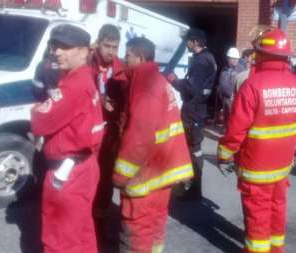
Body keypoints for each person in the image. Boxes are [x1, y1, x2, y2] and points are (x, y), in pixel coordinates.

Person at [218, 28, 296, 253]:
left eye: (257, 52)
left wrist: (224, 153)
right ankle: (276, 249)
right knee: (277, 208)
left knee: (258, 214)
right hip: (282, 166)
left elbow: (236, 130)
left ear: (261, 54)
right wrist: (295, 154)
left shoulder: (252, 86)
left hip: (255, 167)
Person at [113, 37, 194, 252]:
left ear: (139, 57)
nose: (124, 59)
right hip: (161, 172)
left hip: (145, 176)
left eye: (128, 56)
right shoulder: (157, 80)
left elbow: (139, 138)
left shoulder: (144, 86)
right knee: (155, 227)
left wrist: (120, 176)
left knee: (137, 230)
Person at [30, 24, 104, 253]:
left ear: (84, 52)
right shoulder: (83, 78)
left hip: (68, 172)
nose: (56, 52)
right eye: (54, 46)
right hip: (82, 166)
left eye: (65, 47)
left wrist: (36, 109)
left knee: (59, 239)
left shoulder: (74, 84)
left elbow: (40, 122)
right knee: (80, 234)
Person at [170, 28, 217, 201]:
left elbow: (191, 88)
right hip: (196, 110)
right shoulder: (206, 58)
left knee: (193, 148)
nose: (186, 44)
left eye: (188, 41)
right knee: (192, 148)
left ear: (196, 42)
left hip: (193, 112)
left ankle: (194, 189)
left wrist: (174, 81)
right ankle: (191, 187)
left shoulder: (202, 61)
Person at [90, 24, 128, 234]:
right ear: (99, 43)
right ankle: (88, 222)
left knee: (106, 180)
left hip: (111, 134)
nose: (111, 52)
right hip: (89, 133)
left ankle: (101, 225)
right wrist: (100, 102)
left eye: (115, 47)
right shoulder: (87, 62)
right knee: (89, 180)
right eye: (107, 46)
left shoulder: (121, 68)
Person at [218, 47, 242, 125]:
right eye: (232, 58)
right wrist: (223, 94)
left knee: (235, 118)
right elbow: (222, 84)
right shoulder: (224, 69)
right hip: (226, 99)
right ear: (228, 59)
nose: (235, 60)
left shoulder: (241, 69)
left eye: (236, 59)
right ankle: (227, 132)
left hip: (236, 98)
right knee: (227, 117)